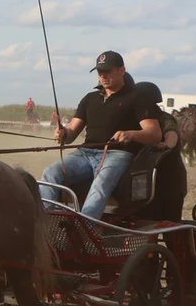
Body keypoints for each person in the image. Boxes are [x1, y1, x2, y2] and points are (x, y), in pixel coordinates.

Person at [38, 51, 161, 220]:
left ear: (122, 71)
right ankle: (45, 222)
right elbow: (72, 132)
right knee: (50, 172)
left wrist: (131, 134)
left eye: (108, 71)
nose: (103, 76)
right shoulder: (90, 99)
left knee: (100, 184)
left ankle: (85, 228)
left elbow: (154, 134)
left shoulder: (138, 98)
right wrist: (63, 133)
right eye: (99, 72)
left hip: (117, 154)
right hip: (84, 154)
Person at [133, 81, 187, 222]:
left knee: (170, 224)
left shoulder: (164, 118)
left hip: (170, 180)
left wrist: (165, 145)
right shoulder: (136, 118)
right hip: (147, 180)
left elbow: (171, 133)